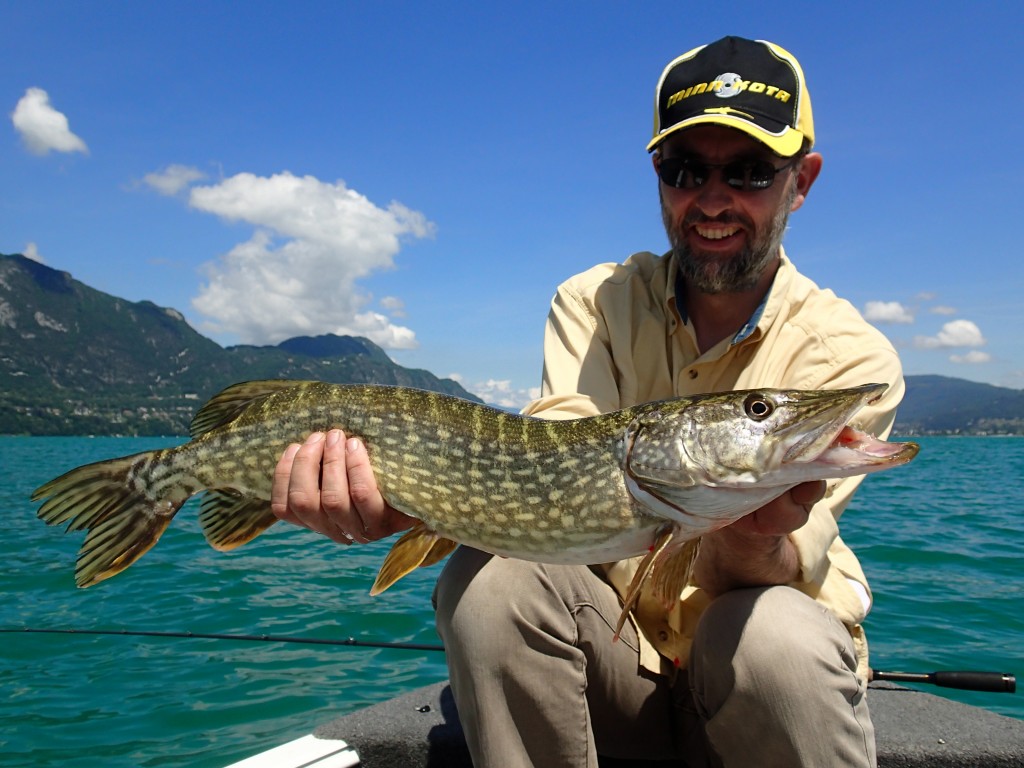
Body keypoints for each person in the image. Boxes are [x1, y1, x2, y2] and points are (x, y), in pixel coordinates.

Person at [270, 35, 904, 768]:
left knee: (776, 643)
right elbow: (544, 482)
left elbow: (760, 572)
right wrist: (416, 502)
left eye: (752, 171)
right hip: (610, 667)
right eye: (686, 169)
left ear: (803, 180)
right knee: (488, 585)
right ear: (659, 174)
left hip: (750, 689)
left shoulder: (853, 361)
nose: (713, 198)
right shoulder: (593, 302)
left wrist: (748, 526)